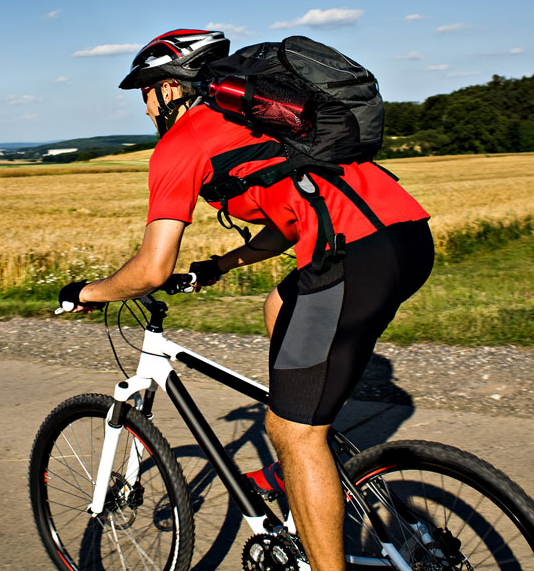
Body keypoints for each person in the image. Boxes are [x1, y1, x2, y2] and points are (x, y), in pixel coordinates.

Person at [57, 28, 434, 571]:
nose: (145, 107)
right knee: (280, 303)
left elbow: (150, 268)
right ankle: (300, 436)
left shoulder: (179, 144)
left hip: (352, 257)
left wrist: (88, 292)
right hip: (408, 237)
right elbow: (287, 222)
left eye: (146, 89)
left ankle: (301, 448)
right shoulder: (265, 118)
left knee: (294, 432)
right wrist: (220, 265)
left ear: (171, 86)